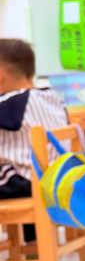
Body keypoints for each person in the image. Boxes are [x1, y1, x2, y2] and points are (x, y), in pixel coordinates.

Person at [0, 39, 69, 243]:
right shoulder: (52, 97)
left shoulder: (10, 104)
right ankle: (33, 239)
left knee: (10, 168)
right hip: (57, 179)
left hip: (26, 182)